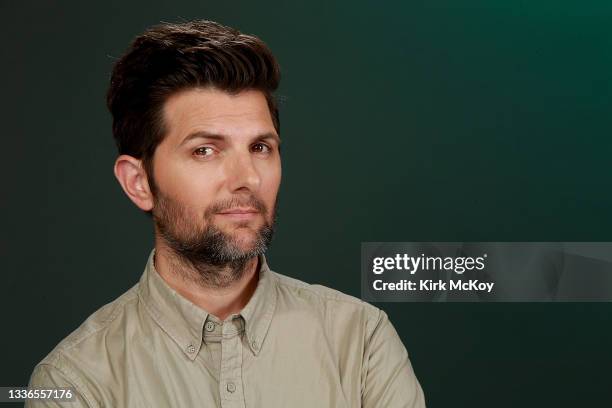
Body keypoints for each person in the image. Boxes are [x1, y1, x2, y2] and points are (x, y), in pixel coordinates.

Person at [26, 19, 425, 407]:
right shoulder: (74, 383)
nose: (247, 177)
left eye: (260, 148)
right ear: (139, 182)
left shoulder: (361, 344)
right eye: (205, 150)